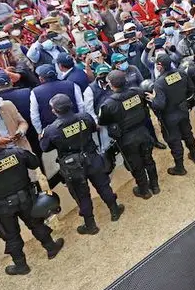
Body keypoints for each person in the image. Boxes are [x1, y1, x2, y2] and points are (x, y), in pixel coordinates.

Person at [0, 129, 65, 275]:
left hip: (2, 208)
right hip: (26, 199)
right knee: (36, 224)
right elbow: (34, 162)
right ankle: (51, 247)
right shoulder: (17, 152)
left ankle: (21, 266)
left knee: (11, 236)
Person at [39, 93, 125, 234]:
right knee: (103, 186)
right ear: (70, 105)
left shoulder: (51, 129)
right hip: (92, 158)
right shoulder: (85, 117)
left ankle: (90, 225)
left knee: (82, 196)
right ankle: (115, 210)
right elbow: (93, 129)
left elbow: (45, 147)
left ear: (54, 111)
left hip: (72, 166)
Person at [97, 69, 162, 196]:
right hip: (143, 132)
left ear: (111, 85)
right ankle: (155, 186)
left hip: (126, 139)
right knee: (148, 159)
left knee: (136, 165)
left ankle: (144, 191)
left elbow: (103, 121)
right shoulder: (138, 92)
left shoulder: (108, 104)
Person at [145, 56, 195, 175]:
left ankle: (180, 168)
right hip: (183, 110)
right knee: (187, 133)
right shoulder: (181, 73)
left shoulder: (159, 83)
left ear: (160, 66)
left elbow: (159, 105)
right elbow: (191, 89)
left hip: (169, 117)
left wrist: (153, 99)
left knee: (174, 141)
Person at [29, 64, 85, 136]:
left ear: (41, 78)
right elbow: (81, 105)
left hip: (54, 132)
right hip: (75, 126)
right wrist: (81, 121)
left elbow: (34, 116)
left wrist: (40, 132)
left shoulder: (35, 92)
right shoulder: (72, 85)